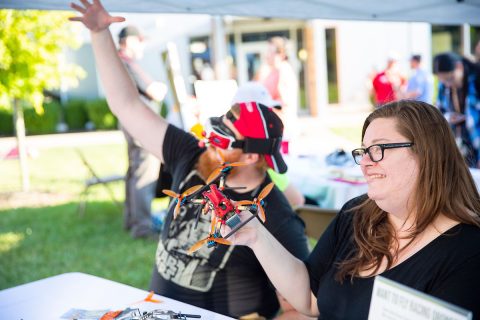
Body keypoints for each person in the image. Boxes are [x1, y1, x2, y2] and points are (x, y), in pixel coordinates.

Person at [69, 2, 310, 319]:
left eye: (223, 136)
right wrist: (100, 33)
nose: (211, 138)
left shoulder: (276, 215)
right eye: (216, 127)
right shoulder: (193, 155)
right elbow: (127, 105)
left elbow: (303, 307)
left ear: (252, 155)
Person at [223, 100, 480, 319]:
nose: (365, 162)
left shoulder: (468, 253)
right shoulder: (357, 214)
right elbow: (309, 299)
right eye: (364, 151)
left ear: (426, 154)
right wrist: (256, 235)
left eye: (378, 149)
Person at [117, 24, 168, 238]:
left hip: (133, 123)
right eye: (140, 40)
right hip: (139, 125)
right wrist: (161, 88)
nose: (143, 46)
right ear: (129, 41)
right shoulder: (125, 63)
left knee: (135, 172)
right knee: (143, 173)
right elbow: (155, 92)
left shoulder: (120, 62)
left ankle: (132, 220)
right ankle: (143, 228)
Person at [232, 81, 305, 208]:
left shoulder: (222, 150)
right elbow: (297, 200)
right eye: (265, 112)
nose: (271, 117)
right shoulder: (261, 158)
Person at [433, 52, 480, 168]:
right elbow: (438, 112)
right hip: (460, 145)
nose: (448, 84)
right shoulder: (443, 87)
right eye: (443, 80)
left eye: (450, 78)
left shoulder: (477, 83)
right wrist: (448, 117)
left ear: (459, 67)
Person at [256, 36, 299, 153]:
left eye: (271, 52)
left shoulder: (283, 70)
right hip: (275, 128)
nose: (267, 55)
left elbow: (285, 101)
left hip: (282, 130)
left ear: (281, 54)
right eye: (267, 52)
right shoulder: (273, 71)